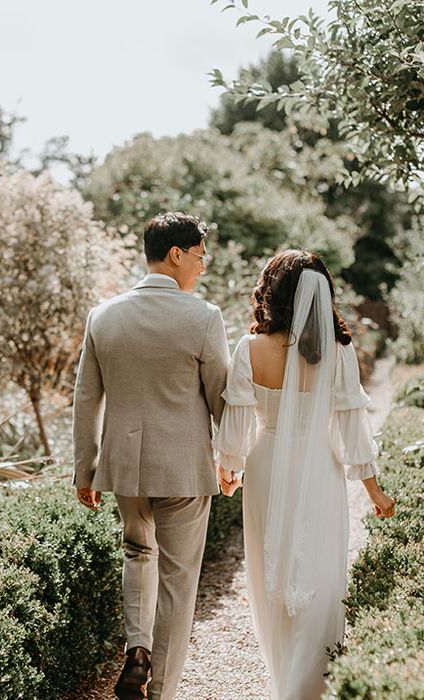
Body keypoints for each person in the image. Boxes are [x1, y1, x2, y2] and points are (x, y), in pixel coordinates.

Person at [214, 250, 395, 699]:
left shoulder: (249, 347)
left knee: (270, 576)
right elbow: (352, 426)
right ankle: (308, 685)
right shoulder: (338, 351)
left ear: (273, 294)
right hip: (320, 467)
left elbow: (236, 423)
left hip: (266, 464)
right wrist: (375, 491)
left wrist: (229, 469)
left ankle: (285, 680)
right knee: (320, 572)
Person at [72, 212, 230, 699]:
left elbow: (86, 398)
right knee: (179, 583)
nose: (202, 268)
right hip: (183, 470)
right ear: (177, 254)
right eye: (200, 257)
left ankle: (138, 649)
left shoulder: (104, 316)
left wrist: (85, 469)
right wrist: (232, 461)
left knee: (137, 553)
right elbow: (222, 398)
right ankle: (160, 692)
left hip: (124, 469)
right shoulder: (203, 318)